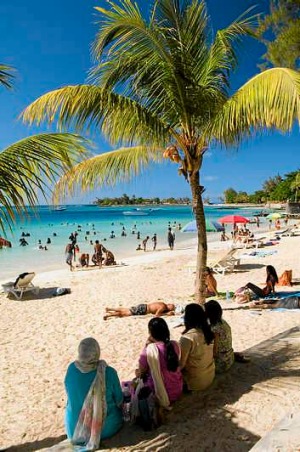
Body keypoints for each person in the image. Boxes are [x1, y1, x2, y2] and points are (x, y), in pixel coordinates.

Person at [64, 338, 123, 449]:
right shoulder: (108, 372)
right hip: (104, 429)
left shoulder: (71, 368)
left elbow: (68, 393)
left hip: (73, 429)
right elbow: (119, 401)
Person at [137, 318, 183, 410]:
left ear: (151, 333)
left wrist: (146, 346)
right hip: (178, 389)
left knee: (135, 381)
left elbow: (141, 372)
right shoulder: (175, 345)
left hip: (162, 394)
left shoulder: (150, 350)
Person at [179, 303, 215, 391]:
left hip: (195, 382)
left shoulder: (187, 338)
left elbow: (181, 365)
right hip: (209, 375)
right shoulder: (208, 333)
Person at [204, 300, 234, 373]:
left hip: (222, 363)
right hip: (230, 357)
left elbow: (215, 352)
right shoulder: (223, 322)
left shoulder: (215, 329)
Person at [103, 302, 175, 320]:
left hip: (144, 306)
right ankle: (108, 315)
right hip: (144, 310)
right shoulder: (163, 307)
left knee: (126, 309)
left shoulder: (162, 303)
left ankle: (109, 309)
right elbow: (157, 315)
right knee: (124, 313)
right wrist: (167, 314)